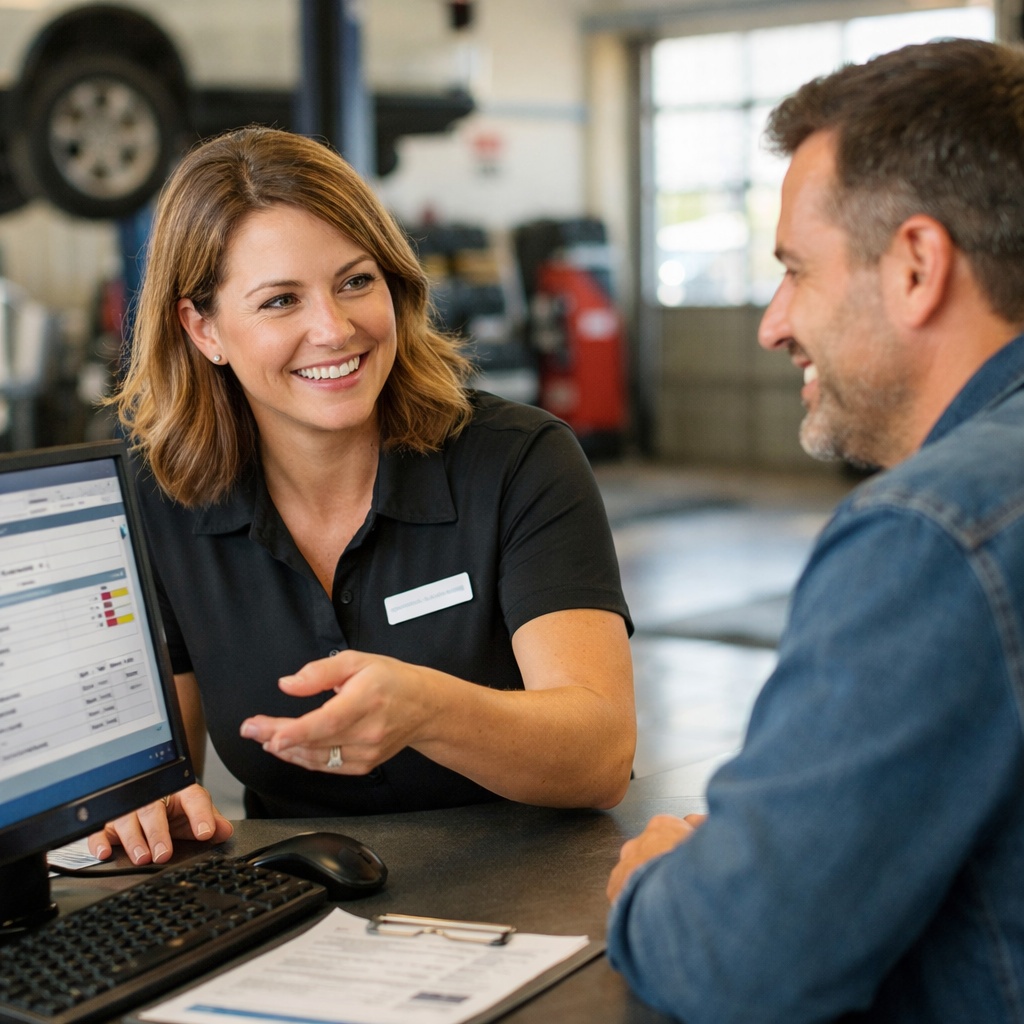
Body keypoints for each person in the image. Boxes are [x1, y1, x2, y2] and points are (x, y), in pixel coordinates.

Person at [606, 38, 1024, 1023]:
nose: (772, 322)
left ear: (916, 265)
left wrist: (665, 880)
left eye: (796, 270)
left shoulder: (934, 533)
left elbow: (737, 959)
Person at [90, 126, 635, 866]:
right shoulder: (164, 503)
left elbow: (600, 755)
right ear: (204, 329)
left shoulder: (520, 462)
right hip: (300, 900)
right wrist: (139, 807)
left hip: (530, 888)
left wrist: (429, 712)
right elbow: (160, 781)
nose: (334, 329)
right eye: (281, 300)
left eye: (355, 282)